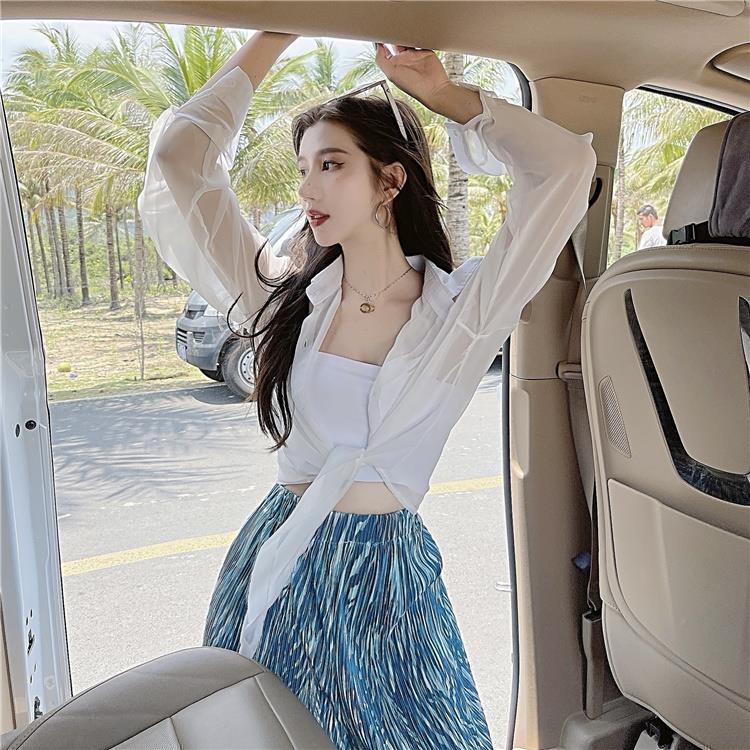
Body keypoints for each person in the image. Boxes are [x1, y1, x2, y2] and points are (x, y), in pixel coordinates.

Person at [138, 30, 596, 750]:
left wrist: (441, 94)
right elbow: (180, 158)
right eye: (303, 170)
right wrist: (276, 31)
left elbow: (565, 167)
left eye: (331, 165)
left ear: (390, 180)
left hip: (387, 583)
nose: (308, 190)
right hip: (278, 566)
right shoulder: (283, 299)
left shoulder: (462, 312)